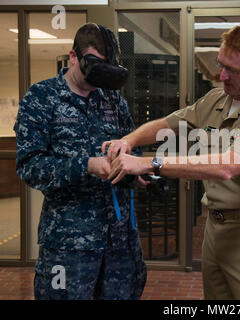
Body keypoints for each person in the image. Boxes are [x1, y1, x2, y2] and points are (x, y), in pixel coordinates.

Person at [103, 23, 240, 300]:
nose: (222, 76)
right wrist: (129, 141)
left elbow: (227, 166)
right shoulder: (217, 99)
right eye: (221, 64)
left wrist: (149, 163)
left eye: (233, 70)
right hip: (214, 227)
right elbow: (170, 124)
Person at [14, 23, 147, 300]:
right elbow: (30, 167)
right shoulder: (41, 98)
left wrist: (136, 170)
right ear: (73, 56)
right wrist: (86, 165)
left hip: (120, 242)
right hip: (68, 244)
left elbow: (131, 150)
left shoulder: (114, 102)